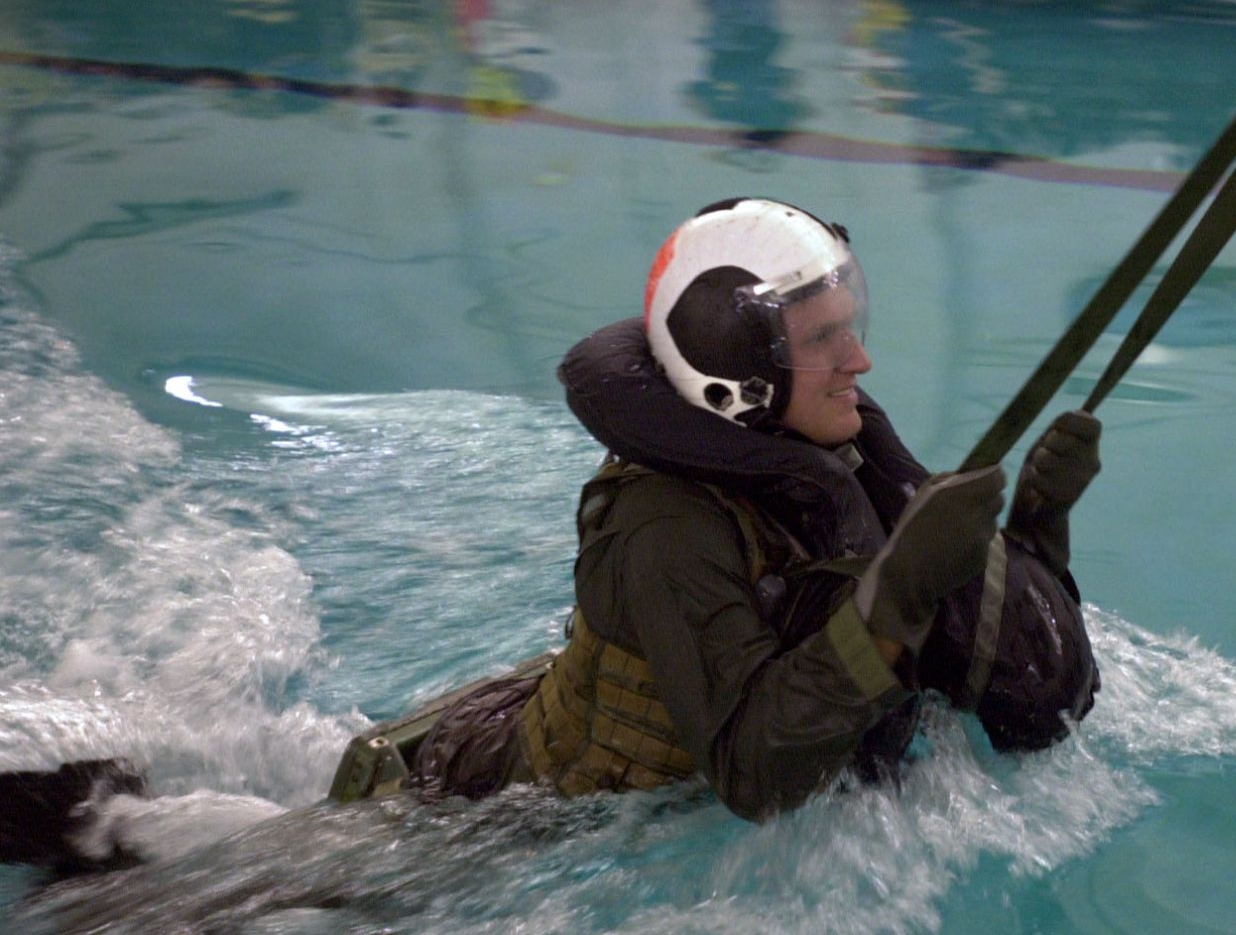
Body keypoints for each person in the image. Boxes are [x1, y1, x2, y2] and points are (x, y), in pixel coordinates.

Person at [410, 197, 1103, 819]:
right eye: (821, 340)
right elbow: (753, 774)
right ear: (736, 373)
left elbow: (1002, 682)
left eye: (849, 328)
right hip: (478, 830)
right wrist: (896, 596)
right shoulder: (664, 526)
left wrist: (1035, 531)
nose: (858, 361)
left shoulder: (827, 455)